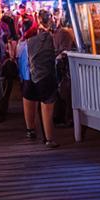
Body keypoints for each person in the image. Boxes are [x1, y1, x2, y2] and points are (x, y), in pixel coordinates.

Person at [23, 10, 59, 148]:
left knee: (29, 98)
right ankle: (49, 139)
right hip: (45, 74)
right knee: (47, 104)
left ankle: (30, 130)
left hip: (29, 72)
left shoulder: (29, 37)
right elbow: (57, 51)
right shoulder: (51, 36)